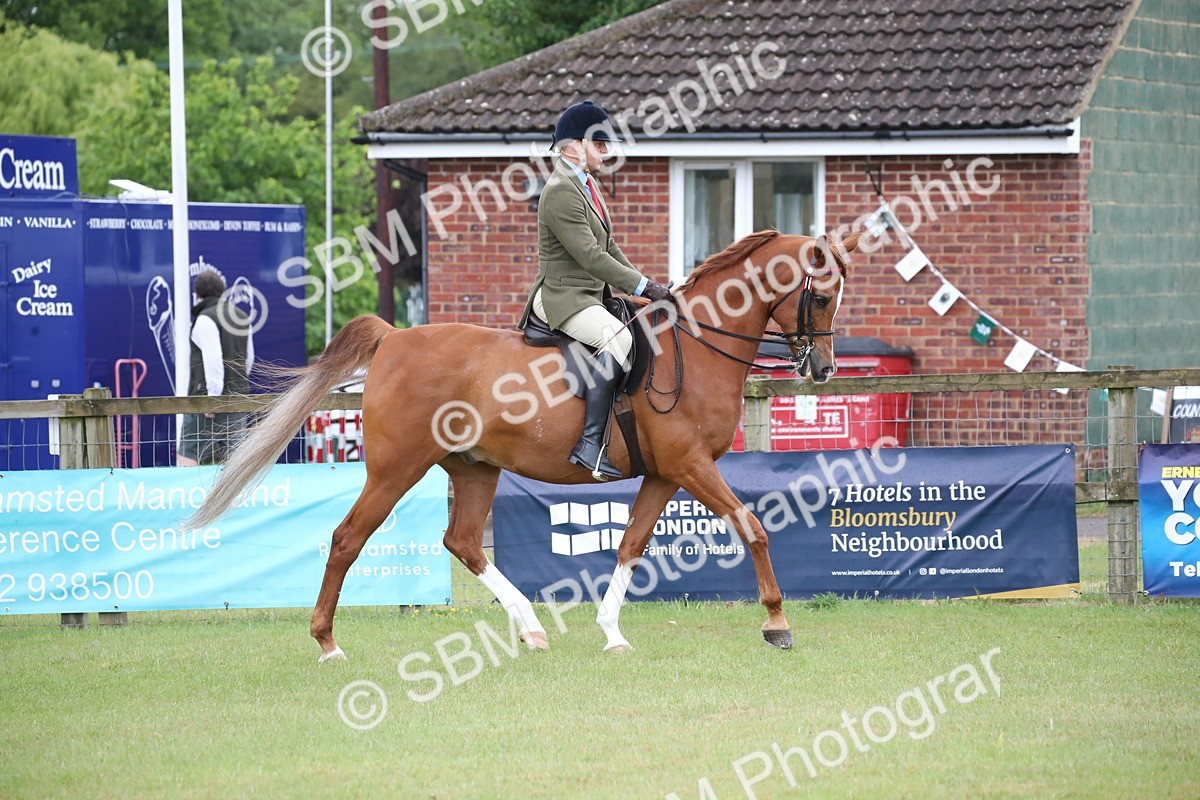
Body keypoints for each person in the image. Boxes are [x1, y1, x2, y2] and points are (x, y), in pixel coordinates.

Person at [519, 100, 671, 481]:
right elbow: (589, 256)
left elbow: (608, 248)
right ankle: (590, 445)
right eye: (598, 143)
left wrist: (645, 285)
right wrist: (642, 286)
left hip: (589, 296)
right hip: (561, 295)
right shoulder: (560, 190)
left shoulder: (586, 186)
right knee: (616, 340)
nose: (606, 150)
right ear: (573, 146)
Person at [176, 269, 253, 466]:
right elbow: (248, 359)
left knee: (187, 459)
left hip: (206, 403)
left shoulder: (205, 319)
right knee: (236, 464)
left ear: (198, 296)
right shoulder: (241, 316)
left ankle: (187, 496)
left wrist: (212, 399)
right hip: (238, 399)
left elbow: (214, 361)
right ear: (222, 291)